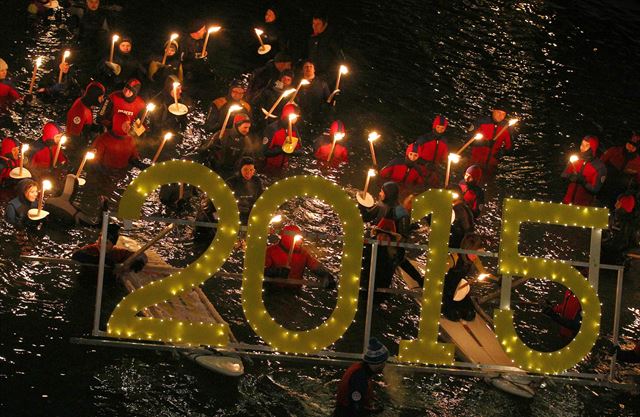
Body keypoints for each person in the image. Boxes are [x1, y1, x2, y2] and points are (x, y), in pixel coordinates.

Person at [360, 182, 412, 289]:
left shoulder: (399, 212)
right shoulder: (382, 206)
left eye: (382, 192)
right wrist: (362, 203)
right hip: (382, 247)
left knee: (376, 275)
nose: (379, 194)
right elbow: (365, 217)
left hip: (387, 250)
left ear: (388, 194)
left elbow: (403, 235)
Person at [264, 224, 336, 289]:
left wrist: (327, 275)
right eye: (298, 238)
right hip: (273, 291)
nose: (301, 241)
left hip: (294, 291)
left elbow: (315, 266)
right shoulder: (270, 251)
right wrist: (277, 272)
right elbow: (261, 272)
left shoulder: (303, 253)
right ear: (288, 239)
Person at [334, 337, 388, 417]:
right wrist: (373, 412)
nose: (385, 365)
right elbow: (355, 407)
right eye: (384, 362)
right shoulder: (359, 378)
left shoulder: (359, 368)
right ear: (377, 363)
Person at [71, 223, 147, 274]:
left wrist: (138, 263)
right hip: (87, 279)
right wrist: (102, 261)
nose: (102, 244)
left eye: (106, 243)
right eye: (100, 240)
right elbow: (76, 255)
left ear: (113, 245)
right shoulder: (91, 249)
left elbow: (142, 256)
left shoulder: (118, 253)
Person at [441, 234, 485, 322]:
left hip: (461, 288)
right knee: (454, 315)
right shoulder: (454, 258)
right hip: (447, 288)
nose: (476, 257)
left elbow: (484, 272)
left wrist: (498, 280)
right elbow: (440, 275)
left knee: (470, 314)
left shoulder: (473, 257)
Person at [561, 136, 607, 206]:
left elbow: (596, 189)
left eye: (586, 145)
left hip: (584, 206)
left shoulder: (599, 167)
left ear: (592, 148)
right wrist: (570, 176)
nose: (582, 147)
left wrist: (584, 182)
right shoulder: (575, 159)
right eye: (582, 144)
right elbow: (563, 174)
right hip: (566, 202)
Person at [599, 133, 640, 209]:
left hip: (620, 193)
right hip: (604, 186)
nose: (630, 146)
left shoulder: (637, 162)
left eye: (634, 146)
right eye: (629, 143)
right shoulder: (614, 151)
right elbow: (600, 163)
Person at [468, 103, 515, 169]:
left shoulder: (506, 127)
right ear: (493, 111)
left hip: (492, 165)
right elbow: (468, 140)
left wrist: (502, 151)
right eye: (498, 112)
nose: (500, 116)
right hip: (475, 163)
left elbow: (510, 147)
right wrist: (485, 143)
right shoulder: (481, 122)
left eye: (503, 114)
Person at [410, 115, 450, 187]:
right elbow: (413, 154)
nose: (440, 130)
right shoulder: (424, 139)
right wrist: (425, 163)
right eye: (438, 127)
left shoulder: (444, 141)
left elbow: (445, 157)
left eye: (442, 128)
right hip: (419, 168)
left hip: (433, 170)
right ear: (434, 126)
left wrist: (446, 162)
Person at [66, 81, 105, 148]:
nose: (102, 100)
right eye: (100, 97)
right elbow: (74, 136)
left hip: (86, 138)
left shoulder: (87, 104)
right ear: (94, 97)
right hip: (78, 146)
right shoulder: (80, 110)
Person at [262, 103, 301, 170]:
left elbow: (300, 150)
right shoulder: (272, 129)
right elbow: (264, 152)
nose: (296, 119)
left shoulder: (293, 129)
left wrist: (291, 151)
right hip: (270, 167)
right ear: (288, 116)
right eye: (295, 117)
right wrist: (280, 150)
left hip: (285, 166)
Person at [226, 157, 264, 224]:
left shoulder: (257, 181)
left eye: (251, 170)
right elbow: (225, 200)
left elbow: (261, 197)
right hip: (234, 215)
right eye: (245, 169)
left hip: (252, 215)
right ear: (240, 169)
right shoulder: (231, 182)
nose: (248, 172)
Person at [307, 12, 343, 77]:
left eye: (318, 24)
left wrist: (327, 76)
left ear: (325, 25)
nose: (314, 26)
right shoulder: (312, 39)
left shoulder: (332, 39)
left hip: (326, 77)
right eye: (313, 23)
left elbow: (339, 58)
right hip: (314, 75)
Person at [295, 60, 330, 124]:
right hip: (301, 117)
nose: (308, 68)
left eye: (310, 66)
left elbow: (328, 99)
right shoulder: (298, 84)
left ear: (314, 69)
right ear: (303, 70)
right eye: (306, 67)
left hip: (318, 117)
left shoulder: (322, 84)